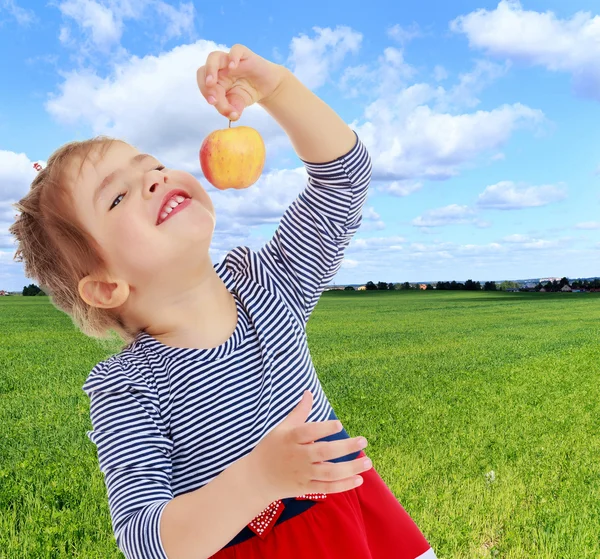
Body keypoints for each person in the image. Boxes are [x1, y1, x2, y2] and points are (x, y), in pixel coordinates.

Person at [9, 44, 437, 559]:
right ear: (106, 287)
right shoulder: (126, 389)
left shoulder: (268, 286)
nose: (155, 178)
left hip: (354, 523)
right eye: (117, 197)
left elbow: (343, 178)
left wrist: (275, 88)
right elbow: (146, 541)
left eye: (154, 165)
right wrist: (258, 479)